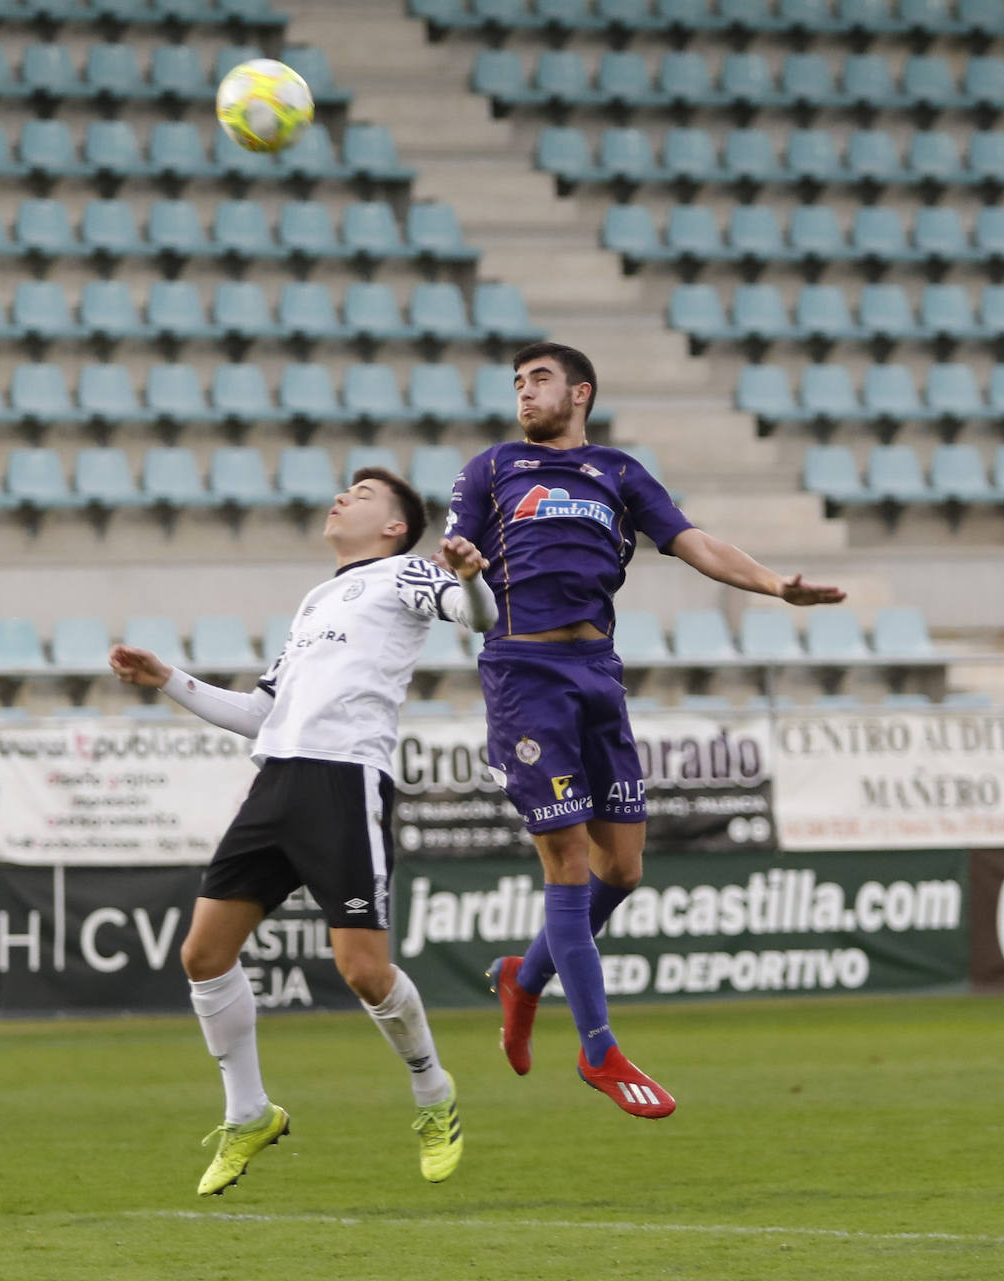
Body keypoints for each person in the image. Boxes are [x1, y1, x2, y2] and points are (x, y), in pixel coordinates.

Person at [444, 343, 846, 1120]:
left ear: (580, 392)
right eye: (518, 382)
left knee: (622, 871)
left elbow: (696, 544)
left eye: (540, 380)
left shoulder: (620, 474)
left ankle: (523, 979)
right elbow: (456, 565)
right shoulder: (491, 469)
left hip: (597, 672)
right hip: (523, 677)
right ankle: (599, 1049)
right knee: (565, 864)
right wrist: (461, 566)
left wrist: (774, 585)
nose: (525, 393)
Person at [110, 466, 495, 1194]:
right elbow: (261, 714)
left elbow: (483, 621)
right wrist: (168, 679)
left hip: (345, 780)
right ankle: (249, 1111)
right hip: (277, 779)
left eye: (364, 494)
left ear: (392, 526)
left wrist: (471, 577)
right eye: (345, 489)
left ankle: (432, 1093)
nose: (343, 497)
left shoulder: (406, 574)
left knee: (363, 971)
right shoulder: (316, 600)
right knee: (203, 953)